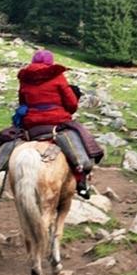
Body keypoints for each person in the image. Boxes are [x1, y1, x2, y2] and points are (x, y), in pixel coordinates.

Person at [16, 50, 91, 197]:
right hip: (56, 121)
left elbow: (22, 102)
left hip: (32, 124)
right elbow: (71, 104)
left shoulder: (25, 78)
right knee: (80, 140)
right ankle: (81, 181)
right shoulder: (57, 76)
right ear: (50, 62)